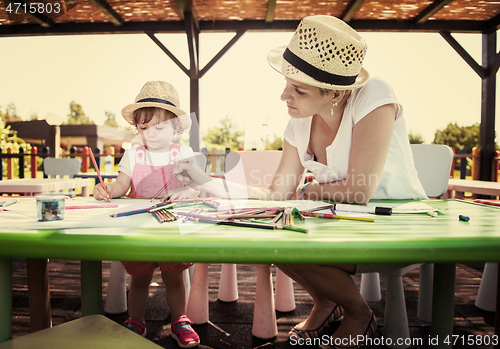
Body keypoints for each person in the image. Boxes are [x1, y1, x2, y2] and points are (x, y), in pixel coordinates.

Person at [172, 15, 427, 349]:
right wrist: (207, 181)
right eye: (287, 83)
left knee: (293, 238)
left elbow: (358, 190)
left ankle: (358, 315)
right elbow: (275, 193)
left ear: (335, 93)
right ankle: (326, 303)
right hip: (346, 223)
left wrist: (309, 191)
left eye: (298, 89)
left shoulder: (374, 95)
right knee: (275, 238)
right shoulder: (297, 125)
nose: (283, 96)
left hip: (398, 224)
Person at [94, 81, 200, 348]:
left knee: (174, 278)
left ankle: (180, 320)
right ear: (137, 128)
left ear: (175, 126)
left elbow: (195, 187)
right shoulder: (132, 155)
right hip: (139, 228)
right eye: (143, 127)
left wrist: (187, 193)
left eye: (159, 127)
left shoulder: (183, 153)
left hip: (171, 227)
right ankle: (135, 320)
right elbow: (121, 185)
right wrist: (107, 189)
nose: (150, 134)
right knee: (139, 279)